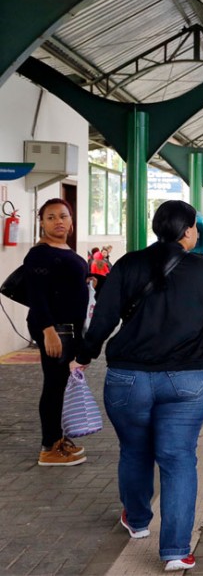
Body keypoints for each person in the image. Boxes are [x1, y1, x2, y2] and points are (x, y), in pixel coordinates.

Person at [79, 200, 203, 572]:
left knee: (134, 450)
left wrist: (84, 355)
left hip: (128, 378)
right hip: (188, 380)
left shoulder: (129, 263)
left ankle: (138, 521)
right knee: (178, 459)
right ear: (189, 230)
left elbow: (103, 319)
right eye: (194, 227)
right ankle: (176, 551)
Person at [24, 198, 89, 467]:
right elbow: (37, 296)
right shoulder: (40, 253)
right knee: (53, 385)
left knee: (60, 384)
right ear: (41, 222)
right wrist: (48, 331)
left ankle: (58, 440)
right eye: (51, 217)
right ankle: (48, 447)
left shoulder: (65, 250)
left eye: (63, 216)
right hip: (55, 328)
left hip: (68, 327)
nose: (58, 221)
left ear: (71, 221)